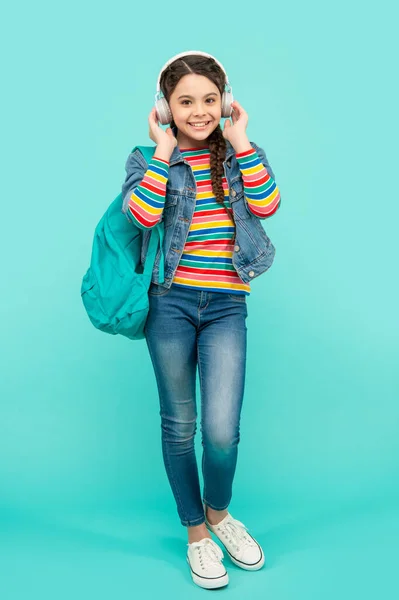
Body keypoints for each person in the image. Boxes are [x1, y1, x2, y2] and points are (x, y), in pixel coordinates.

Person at [121, 52, 281, 589]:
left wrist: (240, 140)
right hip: (170, 304)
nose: (199, 111)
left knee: (221, 431)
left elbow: (269, 202)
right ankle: (196, 534)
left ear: (226, 101)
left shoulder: (237, 157)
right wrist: (165, 149)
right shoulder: (149, 158)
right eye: (185, 101)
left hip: (226, 305)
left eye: (209, 100)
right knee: (179, 425)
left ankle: (219, 514)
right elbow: (141, 215)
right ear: (165, 108)